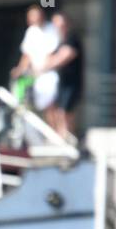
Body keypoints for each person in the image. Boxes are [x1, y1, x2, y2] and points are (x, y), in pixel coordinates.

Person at [11, 4, 60, 117]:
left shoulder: (51, 29)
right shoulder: (31, 31)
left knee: (50, 104)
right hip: (33, 76)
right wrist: (20, 70)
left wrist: (42, 69)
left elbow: (51, 53)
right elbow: (27, 55)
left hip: (48, 74)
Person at [46, 13, 83, 142]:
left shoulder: (72, 38)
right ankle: (62, 137)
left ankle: (67, 138)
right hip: (62, 82)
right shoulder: (59, 41)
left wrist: (45, 66)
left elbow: (65, 56)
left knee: (65, 111)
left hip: (72, 83)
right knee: (57, 110)